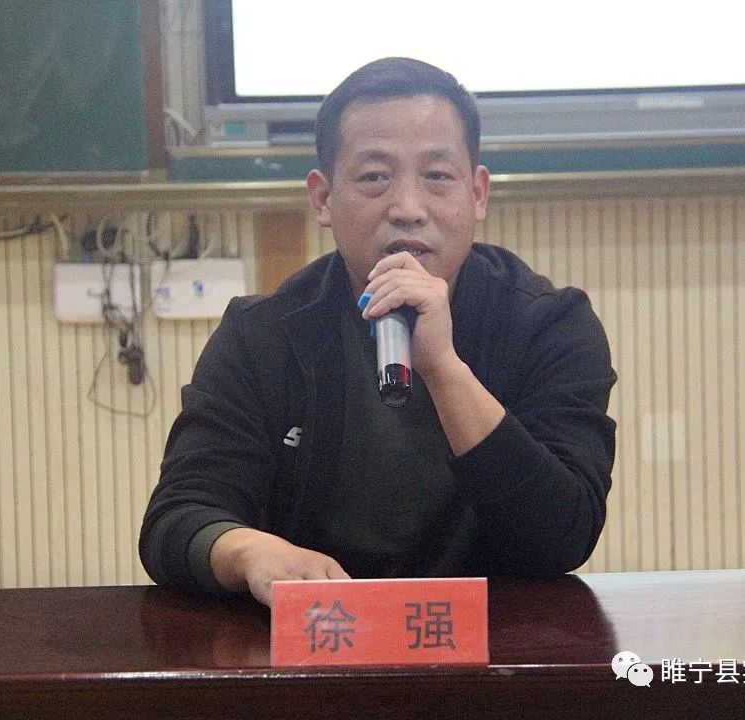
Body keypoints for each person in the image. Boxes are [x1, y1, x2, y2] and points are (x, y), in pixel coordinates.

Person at [140, 57, 617, 606]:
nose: (408, 209)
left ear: (478, 194)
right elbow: (177, 519)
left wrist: (445, 370)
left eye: (438, 176)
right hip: (320, 638)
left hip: (496, 644)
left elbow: (562, 536)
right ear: (323, 198)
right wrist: (246, 550)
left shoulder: (551, 324)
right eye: (374, 177)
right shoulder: (261, 335)